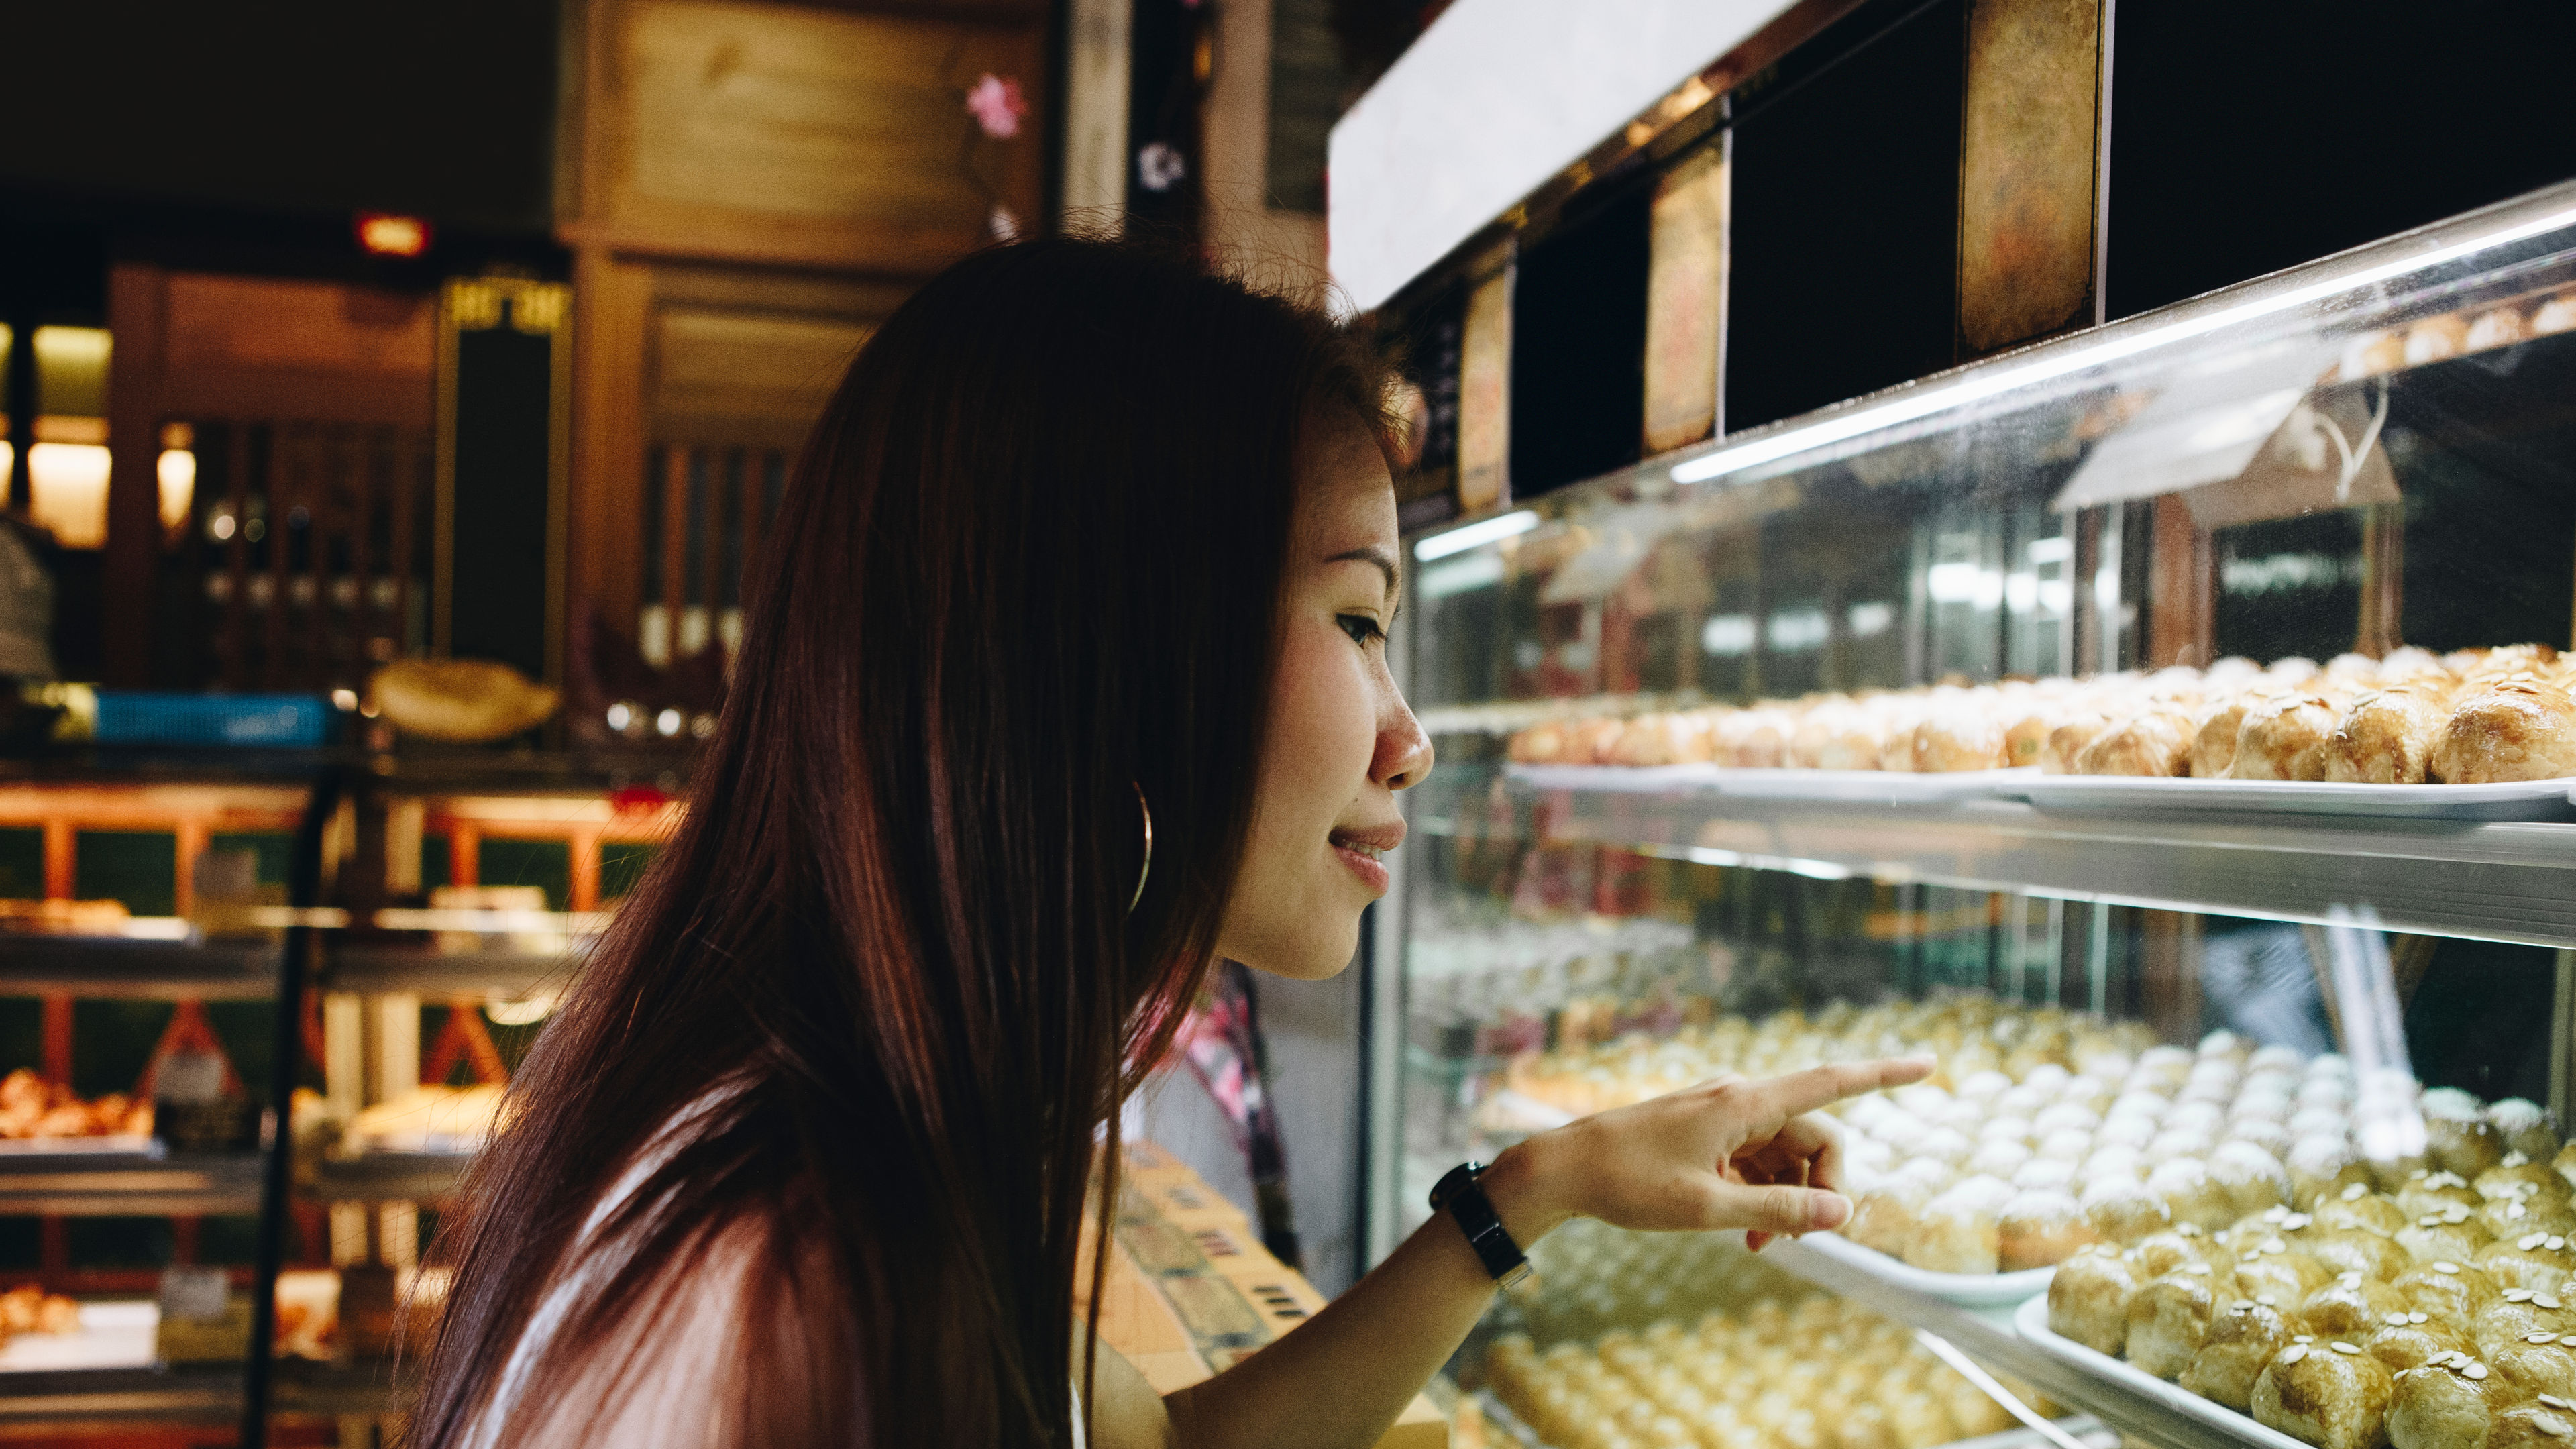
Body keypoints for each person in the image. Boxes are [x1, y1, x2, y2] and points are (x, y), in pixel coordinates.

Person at [411, 235, 1932, 1449]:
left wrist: (1540, 1187)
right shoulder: (831, 1273)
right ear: (1125, 658)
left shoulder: (888, 1102)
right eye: (1356, 621)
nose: (1412, 735)